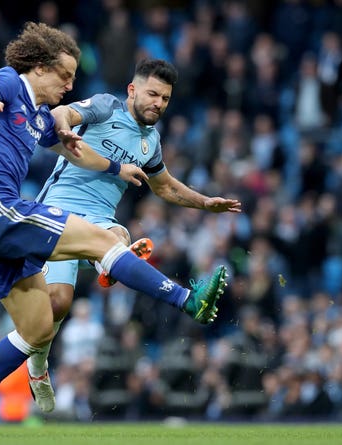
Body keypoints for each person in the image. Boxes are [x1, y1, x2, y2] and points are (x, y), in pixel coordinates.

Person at [0, 22, 228, 436]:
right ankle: (186, 299)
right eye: (65, 75)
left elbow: (74, 150)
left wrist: (116, 167)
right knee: (104, 242)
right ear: (40, 68)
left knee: (40, 326)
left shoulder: (41, 120)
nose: (70, 83)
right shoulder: (8, 83)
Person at [25, 58, 241, 413]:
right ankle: (38, 369)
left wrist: (206, 203)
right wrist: (63, 129)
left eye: (166, 98)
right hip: (58, 212)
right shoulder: (106, 106)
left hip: (99, 219)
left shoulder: (151, 141)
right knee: (58, 305)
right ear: (132, 90)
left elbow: (165, 187)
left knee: (118, 234)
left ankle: (110, 264)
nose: (158, 103)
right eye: (153, 93)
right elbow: (62, 113)